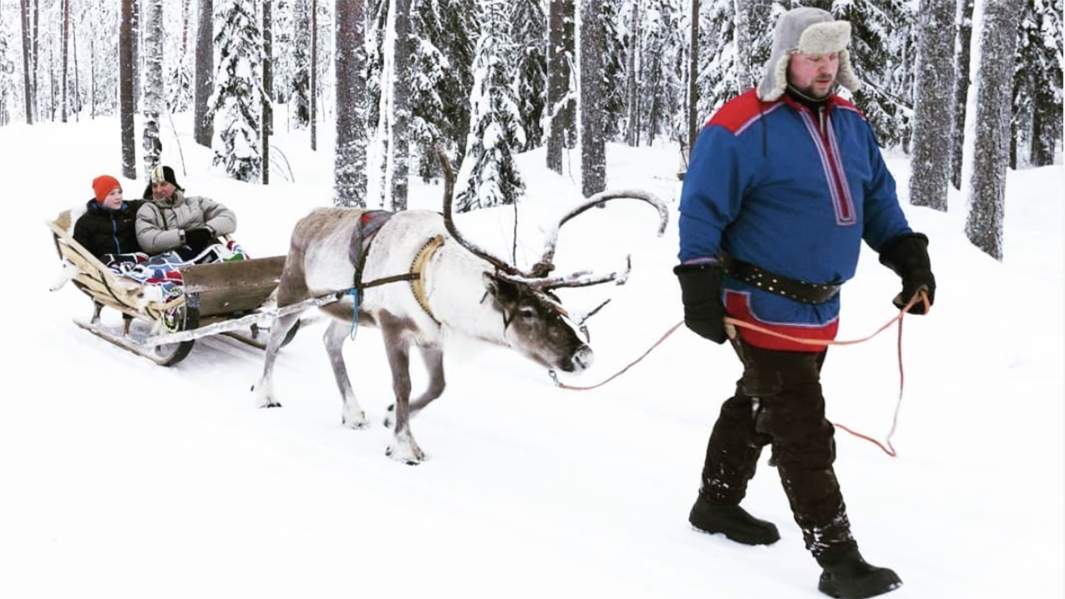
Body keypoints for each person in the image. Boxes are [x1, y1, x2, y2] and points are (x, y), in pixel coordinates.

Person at [674, 7, 935, 599]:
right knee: (801, 424)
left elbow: (877, 202)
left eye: (832, 56)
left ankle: (716, 502)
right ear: (785, 57)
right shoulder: (741, 125)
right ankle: (838, 556)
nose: (825, 67)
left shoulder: (850, 123)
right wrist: (697, 281)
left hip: (820, 308)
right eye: (813, 56)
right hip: (758, 300)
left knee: (760, 398)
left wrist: (908, 258)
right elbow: (703, 206)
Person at [136, 165, 236, 260]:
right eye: (154, 186)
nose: (158, 190)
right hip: (173, 262)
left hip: (207, 254)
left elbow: (228, 217)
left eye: (163, 184)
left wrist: (207, 230)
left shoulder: (196, 202)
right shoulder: (147, 210)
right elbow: (148, 241)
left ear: (174, 185)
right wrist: (184, 236)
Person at [73, 175, 145, 260]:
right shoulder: (85, 223)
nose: (118, 197)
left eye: (119, 192)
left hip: (136, 262)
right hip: (105, 268)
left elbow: (152, 202)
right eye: (112, 194)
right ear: (101, 197)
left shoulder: (129, 210)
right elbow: (81, 255)